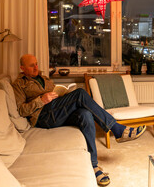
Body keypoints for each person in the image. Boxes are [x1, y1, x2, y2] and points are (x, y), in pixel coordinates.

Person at [12, 54, 146, 186]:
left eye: (36, 64)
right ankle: (117, 129)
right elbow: (21, 110)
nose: (36, 68)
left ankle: (94, 166)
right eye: (31, 65)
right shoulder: (19, 84)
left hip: (57, 111)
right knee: (80, 94)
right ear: (22, 68)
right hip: (43, 116)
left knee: (85, 114)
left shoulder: (43, 77)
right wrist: (40, 100)